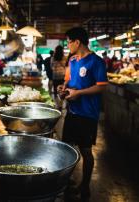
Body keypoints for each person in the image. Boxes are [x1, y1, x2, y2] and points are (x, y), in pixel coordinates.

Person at [58, 27, 108, 200]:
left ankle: (85, 185)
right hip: (72, 112)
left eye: (68, 42)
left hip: (88, 114)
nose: (67, 46)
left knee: (86, 151)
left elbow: (102, 85)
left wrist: (79, 93)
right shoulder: (72, 61)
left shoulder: (96, 62)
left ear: (77, 42)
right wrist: (63, 90)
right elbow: (68, 81)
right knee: (67, 149)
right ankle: (66, 182)